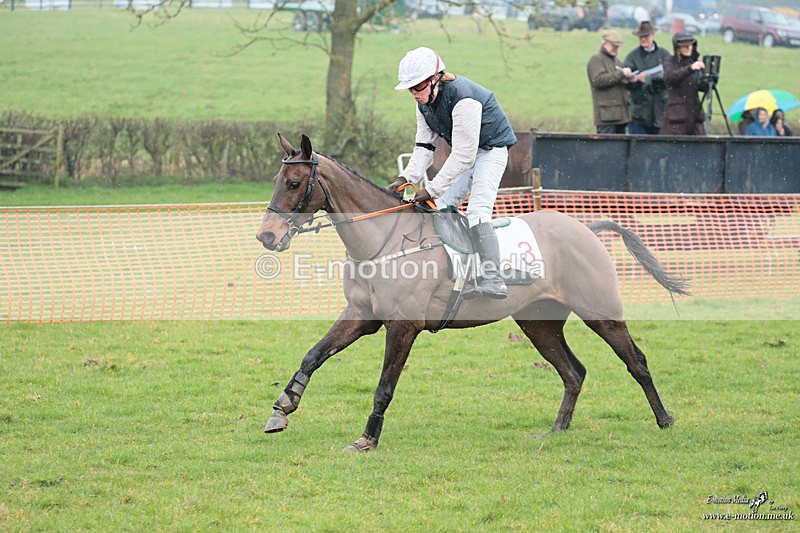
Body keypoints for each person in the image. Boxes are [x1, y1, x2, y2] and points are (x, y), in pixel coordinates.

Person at [387, 47, 517, 299]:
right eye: (410, 89)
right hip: (467, 152)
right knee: (442, 206)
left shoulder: (464, 99)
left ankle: (494, 278)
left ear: (435, 78)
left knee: (478, 211)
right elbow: (424, 147)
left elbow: (463, 156)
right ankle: (459, 270)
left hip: (491, 151)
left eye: (417, 87)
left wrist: (431, 188)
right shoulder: (423, 104)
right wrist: (406, 179)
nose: (414, 94)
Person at [624, 20, 670, 134]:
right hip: (639, 114)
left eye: (646, 36)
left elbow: (671, 75)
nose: (643, 39)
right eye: (641, 37)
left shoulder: (664, 54)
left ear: (653, 36)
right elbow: (625, 81)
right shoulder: (632, 57)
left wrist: (650, 78)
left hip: (661, 112)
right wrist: (633, 80)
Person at [659, 32, 708, 136]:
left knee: (700, 148)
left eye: (690, 45)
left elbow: (702, 87)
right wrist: (690, 69)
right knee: (675, 148)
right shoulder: (670, 62)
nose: (688, 48)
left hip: (695, 115)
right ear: (677, 48)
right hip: (677, 116)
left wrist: (709, 79)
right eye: (685, 46)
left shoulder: (694, 62)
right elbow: (671, 78)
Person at [587, 29, 633, 134]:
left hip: (621, 116)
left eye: (617, 46)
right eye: (613, 45)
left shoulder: (617, 62)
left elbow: (620, 83)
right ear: (604, 43)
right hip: (606, 118)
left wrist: (632, 80)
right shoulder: (596, 60)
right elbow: (597, 81)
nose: (616, 48)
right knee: (606, 149)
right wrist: (621, 74)